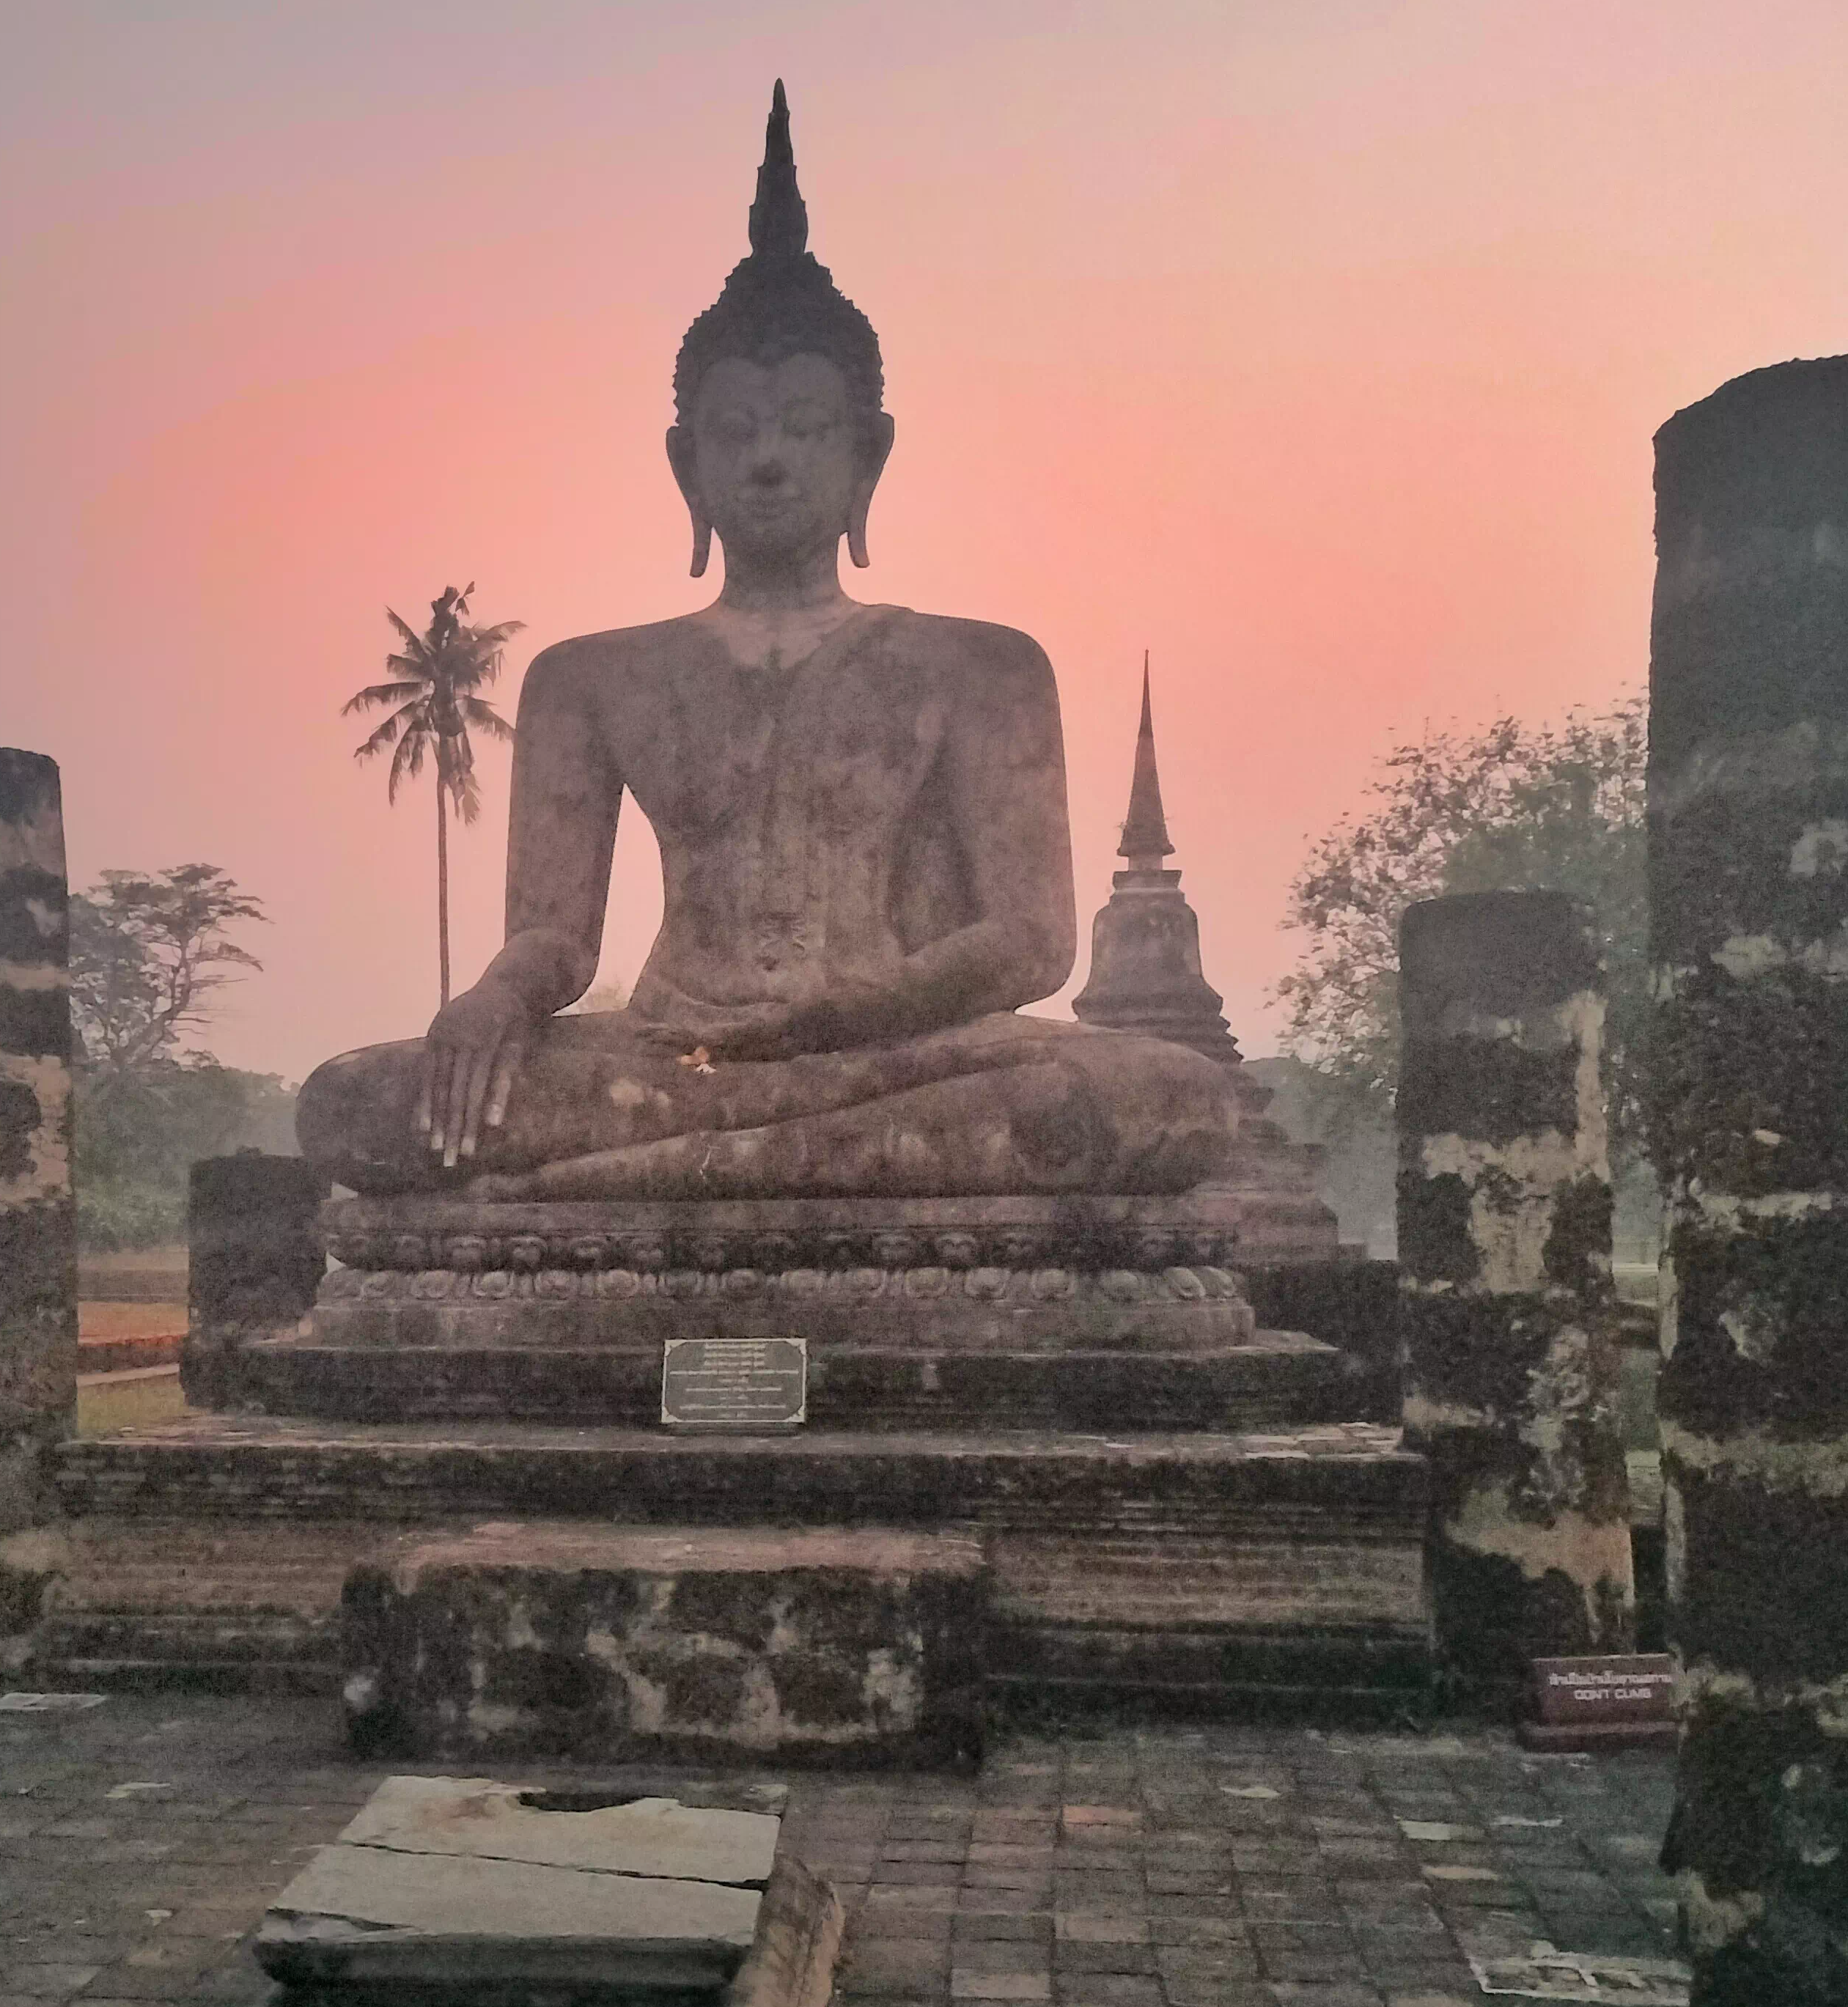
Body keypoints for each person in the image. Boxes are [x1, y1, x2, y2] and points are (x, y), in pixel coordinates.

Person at [298, 85, 1231, 1203]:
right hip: (672, 1060)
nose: (771, 460)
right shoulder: (589, 680)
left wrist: (848, 1017)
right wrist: (495, 998)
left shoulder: (983, 668)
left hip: (901, 1056)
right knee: (355, 1104)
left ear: (868, 455)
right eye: (737, 432)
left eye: (806, 428)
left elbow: (1031, 944)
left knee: (1159, 1098)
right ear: (686, 464)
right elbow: (557, 940)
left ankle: (643, 1187)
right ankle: (721, 1171)